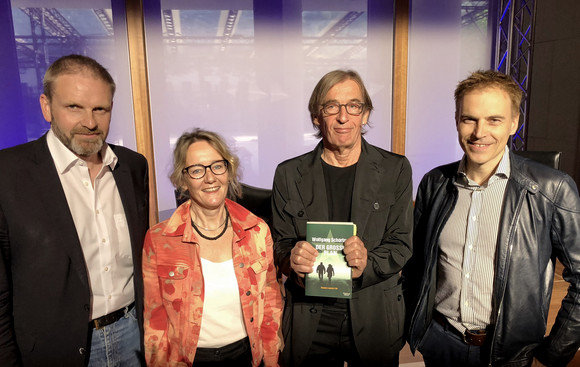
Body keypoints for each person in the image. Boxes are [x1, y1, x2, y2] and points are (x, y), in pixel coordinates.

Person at [405, 70, 580, 366]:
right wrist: (418, 331)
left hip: (512, 356)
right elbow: (416, 266)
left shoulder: (553, 189)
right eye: (469, 119)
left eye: (494, 120)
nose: (479, 132)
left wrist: (551, 356)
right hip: (440, 344)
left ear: (514, 123)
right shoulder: (434, 183)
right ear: (457, 121)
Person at [0, 54, 149, 366]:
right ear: (46, 106)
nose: (90, 122)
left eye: (100, 109)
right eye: (74, 107)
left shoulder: (132, 167)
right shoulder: (7, 175)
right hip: (55, 349)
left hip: (134, 335)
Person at [272, 69, 413, 367]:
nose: (342, 116)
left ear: (365, 114)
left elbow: (401, 245)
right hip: (310, 316)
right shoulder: (287, 174)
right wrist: (291, 262)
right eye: (331, 106)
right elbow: (280, 243)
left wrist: (367, 264)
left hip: (373, 312)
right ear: (316, 116)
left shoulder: (395, 169)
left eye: (353, 106)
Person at [143, 129, 282, 366]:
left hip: (246, 356)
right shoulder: (160, 239)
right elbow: (154, 320)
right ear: (182, 180)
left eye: (218, 166)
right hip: (189, 360)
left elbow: (270, 303)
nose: (210, 178)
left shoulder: (257, 231)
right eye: (197, 170)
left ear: (228, 170)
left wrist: (270, 359)